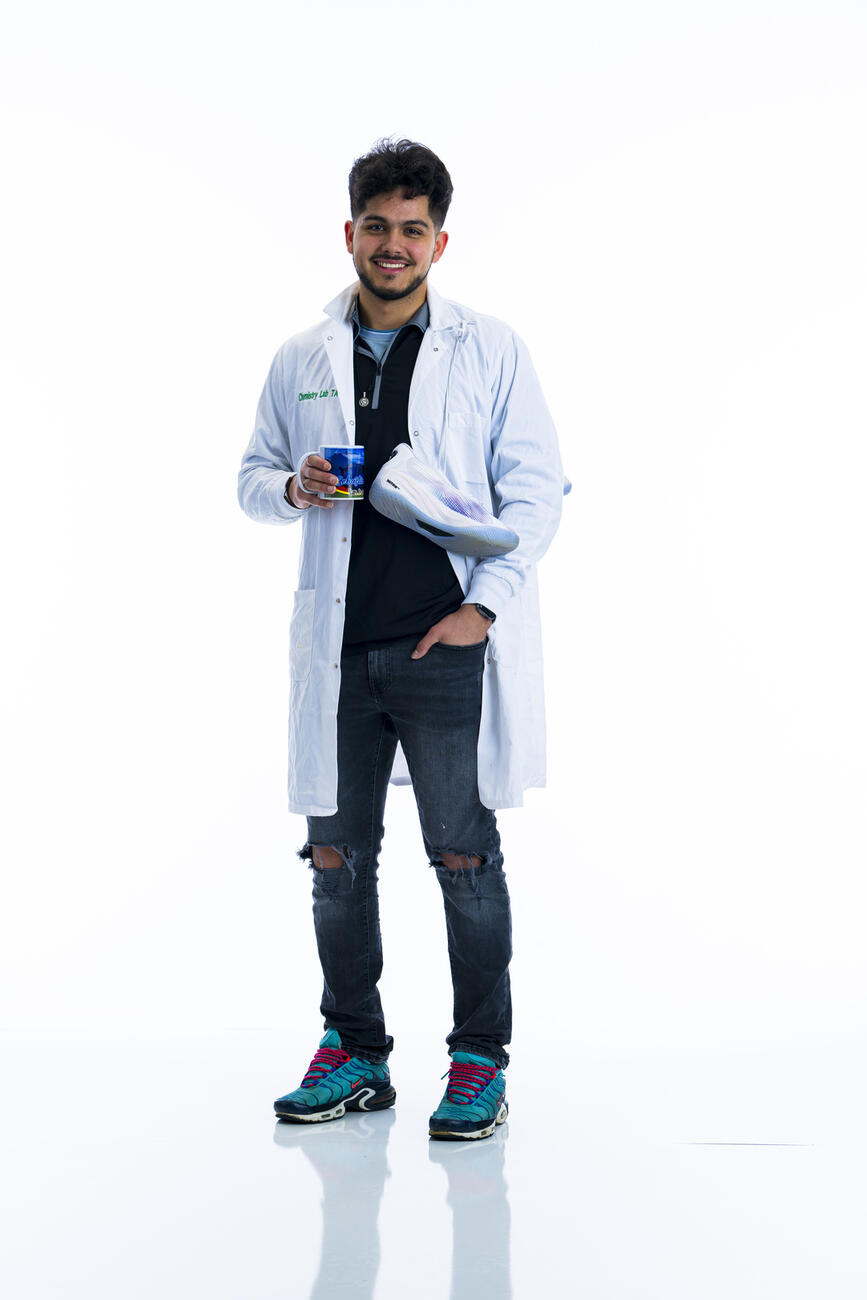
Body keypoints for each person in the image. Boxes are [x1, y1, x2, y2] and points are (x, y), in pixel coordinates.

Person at [238, 138, 563, 1140]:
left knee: (462, 855)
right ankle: (356, 1052)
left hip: (444, 646)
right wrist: (293, 487)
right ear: (349, 232)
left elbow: (538, 488)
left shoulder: (489, 346)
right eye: (375, 225)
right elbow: (250, 478)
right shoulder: (302, 355)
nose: (392, 244)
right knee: (335, 858)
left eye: (411, 228)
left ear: (439, 239)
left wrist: (486, 607)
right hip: (337, 651)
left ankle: (478, 1063)